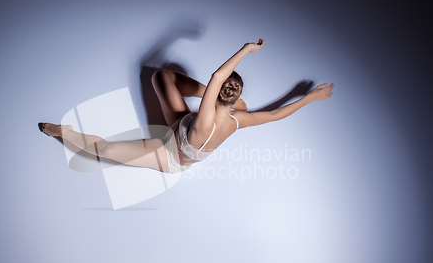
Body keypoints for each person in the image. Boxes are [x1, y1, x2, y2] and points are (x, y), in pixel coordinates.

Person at [38, 39, 334, 173]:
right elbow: (274, 115)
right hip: (181, 125)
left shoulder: (208, 121)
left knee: (108, 151)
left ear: (219, 94)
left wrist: (245, 49)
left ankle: (60, 132)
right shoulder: (235, 121)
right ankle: (212, 95)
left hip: (170, 156)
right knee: (162, 76)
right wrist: (310, 97)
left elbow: (219, 76)